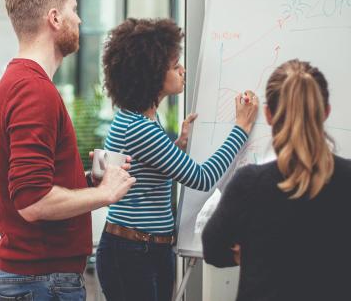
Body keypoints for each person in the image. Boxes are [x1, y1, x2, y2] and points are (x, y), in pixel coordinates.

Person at [0, 0, 136, 300]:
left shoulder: (22, 83)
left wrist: (86, 181)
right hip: (42, 280)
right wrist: (105, 194)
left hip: (38, 277)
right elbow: (32, 202)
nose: (79, 19)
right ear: (54, 18)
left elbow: (32, 188)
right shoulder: (33, 90)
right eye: (74, 9)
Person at [95, 18, 259, 301]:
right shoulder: (140, 127)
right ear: (151, 75)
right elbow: (202, 177)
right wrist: (241, 129)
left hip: (145, 249)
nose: (183, 70)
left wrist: (175, 147)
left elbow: (143, 173)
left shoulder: (139, 117)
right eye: (174, 66)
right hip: (133, 253)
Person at [202, 59, 350, 301]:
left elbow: (213, 250)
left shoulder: (248, 184)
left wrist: (250, 251)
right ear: (325, 112)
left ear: (269, 115)